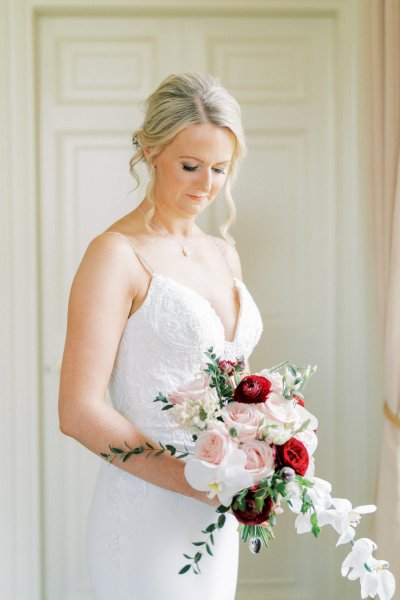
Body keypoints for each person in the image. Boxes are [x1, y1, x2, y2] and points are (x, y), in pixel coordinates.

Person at [58, 72, 263, 600]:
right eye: (190, 166)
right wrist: (194, 481)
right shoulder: (115, 254)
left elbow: (233, 385)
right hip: (148, 508)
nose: (206, 185)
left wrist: (263, 451)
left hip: (217, 519)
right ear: (150, 151)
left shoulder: (224, 253)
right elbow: (78, 411)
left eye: (220, 168)